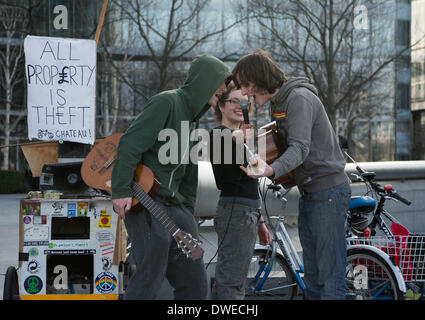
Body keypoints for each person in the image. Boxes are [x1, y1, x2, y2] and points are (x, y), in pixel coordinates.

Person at [232, 49, 351, 300]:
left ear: (259, 78)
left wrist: (272, 169)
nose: (243, 92)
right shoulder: (280, 103)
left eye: (245, 85)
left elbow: (300, 148)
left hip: (327, 192)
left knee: (330, 281)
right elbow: (280, 150)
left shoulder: (298, 99)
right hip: (312, 193)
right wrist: (250, 144)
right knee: (315, 280)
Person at [111, 54, 231, 300]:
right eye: (220, 82)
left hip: (175, 208)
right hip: (146, 202)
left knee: (196, 283)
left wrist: (188, 212)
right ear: (204, 81)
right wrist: (121, 190)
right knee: (149, 276)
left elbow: (189, 174)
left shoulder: (194, 121)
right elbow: (130, 144)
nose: (224, 89)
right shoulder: (166, 102)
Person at [209, 82, 271, 300]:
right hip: (236, 213)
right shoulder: (219, 134)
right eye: (234, 101)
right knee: (232, 282)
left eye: (244, 101)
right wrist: (239, 137)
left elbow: (249, 182)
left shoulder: (239, 140)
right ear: (221, 106)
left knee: (232, 278)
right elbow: (220, 143)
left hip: (247, 213)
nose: (240, 105)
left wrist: (260, 222)